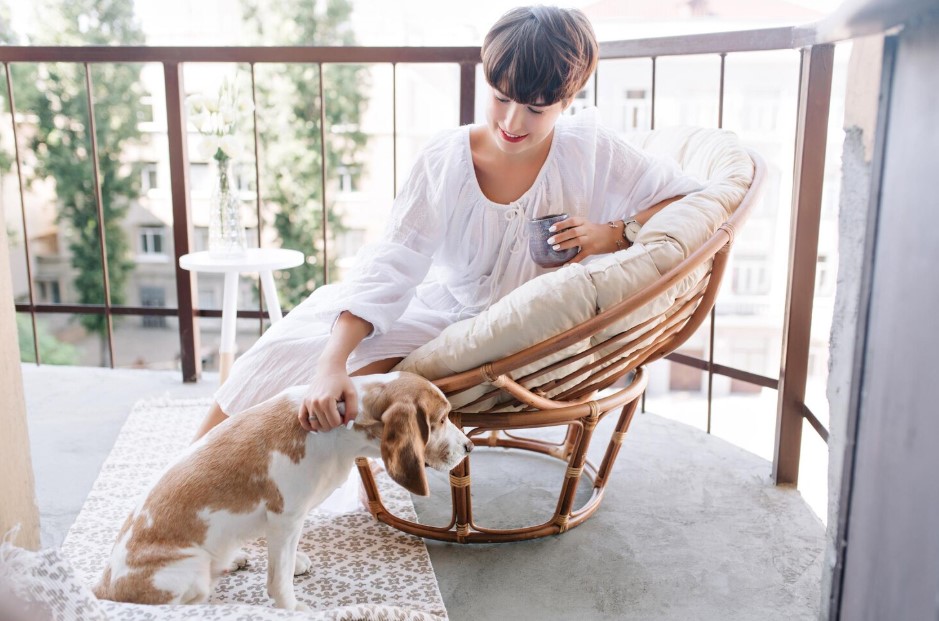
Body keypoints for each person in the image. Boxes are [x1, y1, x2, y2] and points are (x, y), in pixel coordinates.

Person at [193, 5, 701, 443]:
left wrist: (613, 233)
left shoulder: (590, 150)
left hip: (521, 331)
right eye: (500, 97)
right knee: (288, 347)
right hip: (437, 312)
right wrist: (331, 362)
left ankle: (244, 492)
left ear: (567, 102)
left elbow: (689, 196)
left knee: (342, 379)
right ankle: (185, 478)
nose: (513, 123)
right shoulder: (447, 158)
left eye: (537, 108)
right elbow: (394, 264)